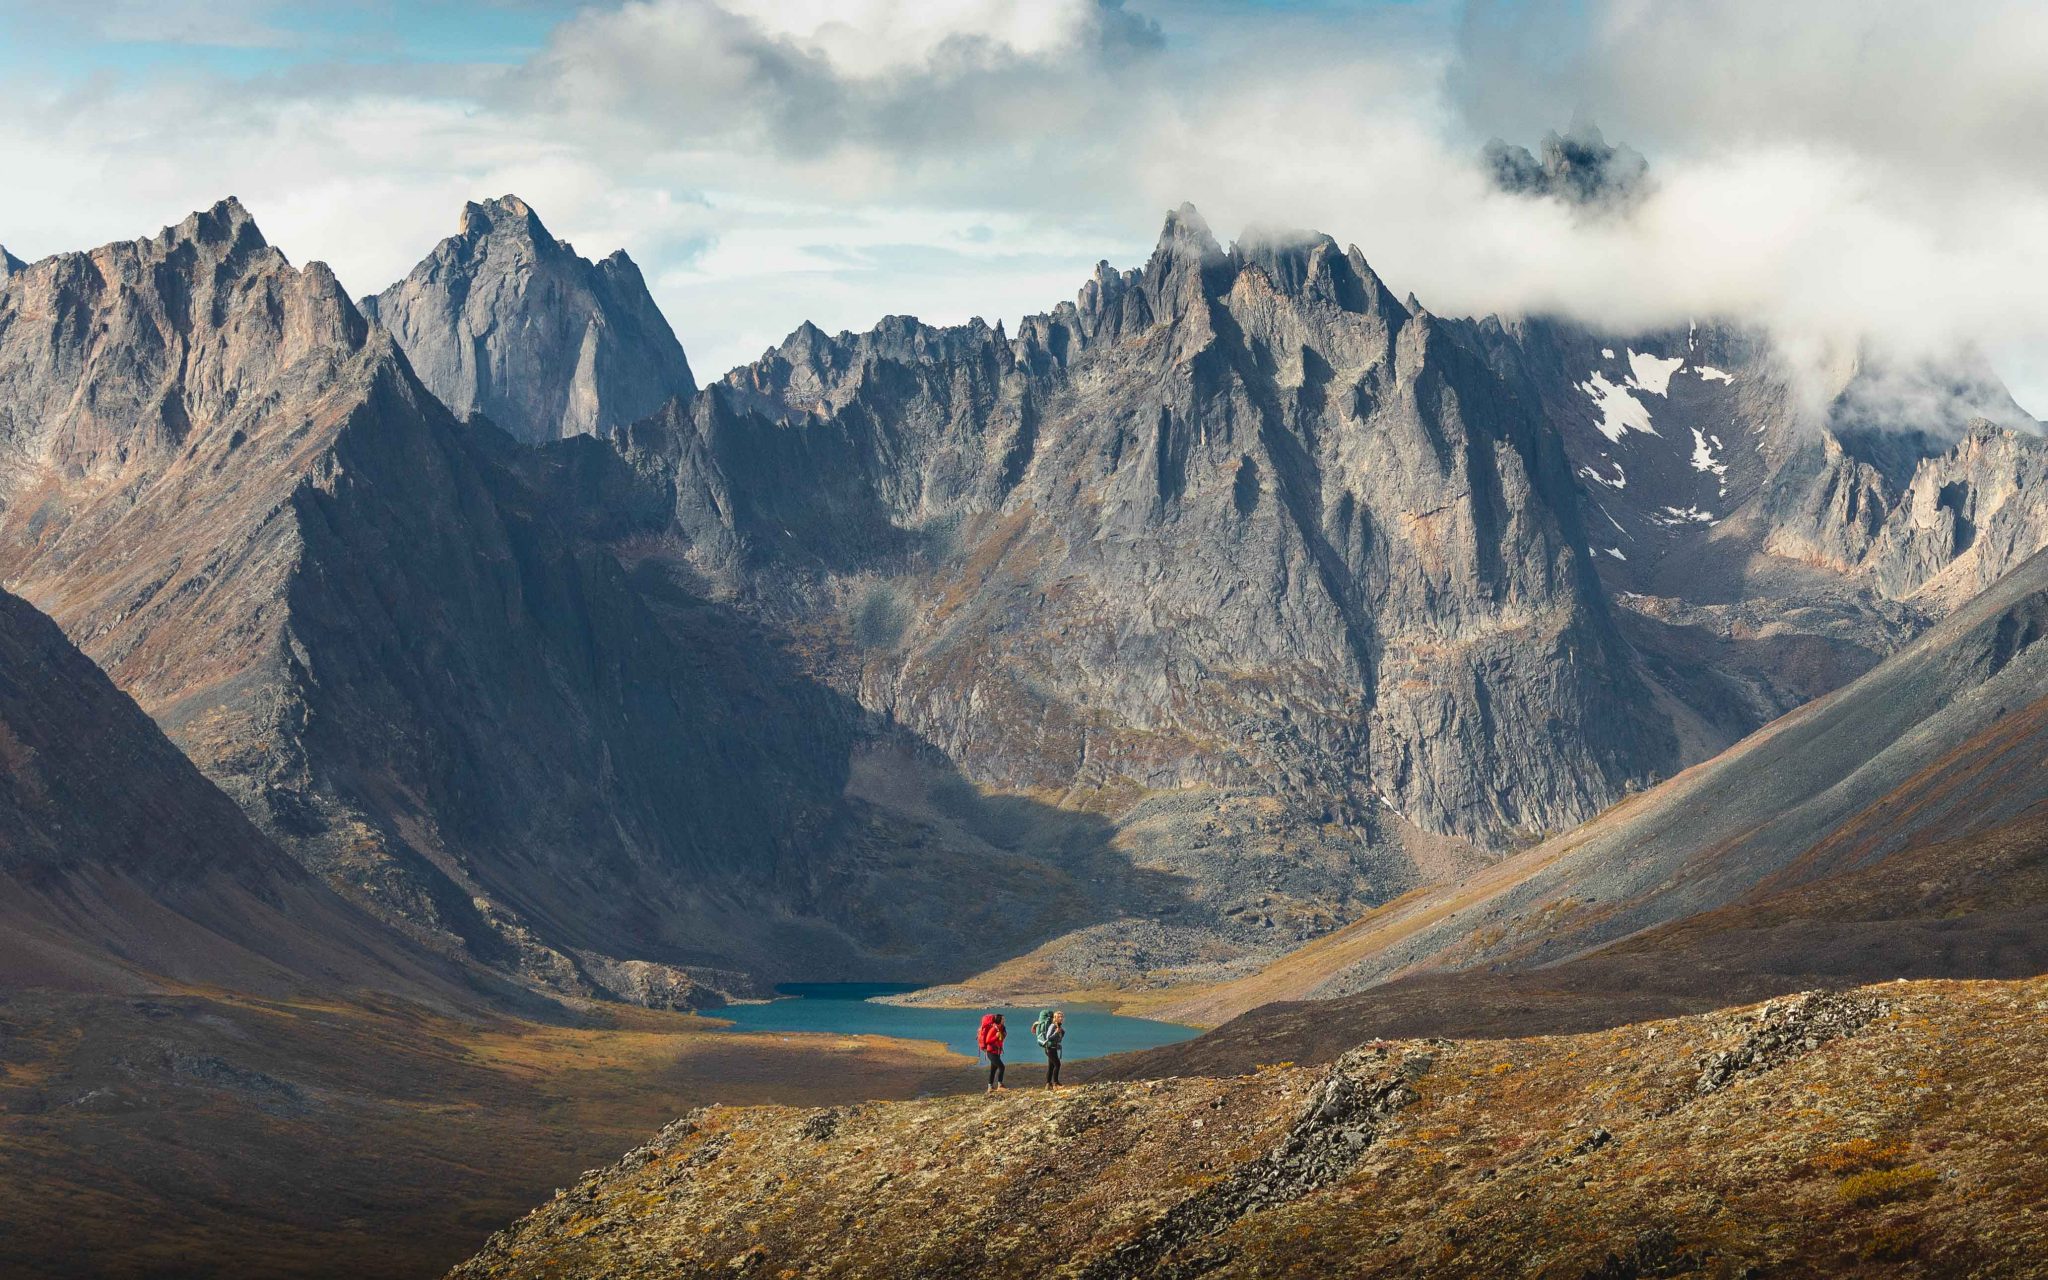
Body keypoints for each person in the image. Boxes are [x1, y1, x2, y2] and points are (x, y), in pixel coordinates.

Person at [1035, 1009, 1065, 1088]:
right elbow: (1048, 1037)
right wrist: (1056, 1033)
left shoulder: (1059, 1026)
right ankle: (1056, 1083)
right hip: (1050, 1048)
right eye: (1059, 1017)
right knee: (1057, 1064)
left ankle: (1048, 1084)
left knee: (1051, 1067)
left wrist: (1061, 1033)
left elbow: (1058, 1040)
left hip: (1053, 1048)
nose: (1061, 1018)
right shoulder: (1052, 1026)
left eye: (1062, 1017)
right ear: (1055, 1017)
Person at [977, 1012, 1007, 1092]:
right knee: (1002, 1067)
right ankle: (1000, 1085)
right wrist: (996, 1036)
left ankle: (990, 1087)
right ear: (999, 1020)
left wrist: (1002, 1035)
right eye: (1003, 1019)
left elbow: (1001, 1039)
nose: (1004, 1020)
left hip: (996, 1052)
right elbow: (987, 1040)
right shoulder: (993, 1029)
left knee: (993, 1069)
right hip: (991, 1052)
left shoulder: (1000, 1028)